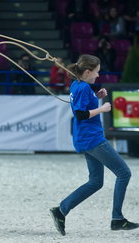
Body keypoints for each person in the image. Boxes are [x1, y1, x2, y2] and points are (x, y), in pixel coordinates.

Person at [50, 54, 139, 236]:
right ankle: (117, 218)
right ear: (88, 71)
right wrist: (102, 108)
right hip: (92, 138)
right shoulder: (83, 87)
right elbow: (81, 114)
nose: (98, 76)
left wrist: (96, 97)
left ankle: (61, 210)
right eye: (97, 72)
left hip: (86, 138)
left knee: (96, 182)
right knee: (124, 173)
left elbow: (81, 106)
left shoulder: (78, 85)